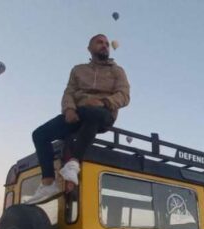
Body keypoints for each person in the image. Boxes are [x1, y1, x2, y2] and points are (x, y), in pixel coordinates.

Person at [25, 34, 131, 204]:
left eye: (106, 43)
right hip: (79, 112)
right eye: (99, 42)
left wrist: (104, 101)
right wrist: (69, 109)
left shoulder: (117, 71)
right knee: (39, 134)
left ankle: (73, 164)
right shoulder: (78, 70)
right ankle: (48, 182)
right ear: (89, 48)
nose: (104, 45)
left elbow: (124, 95)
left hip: (104, 113)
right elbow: (69, 92)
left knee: (93, 113)